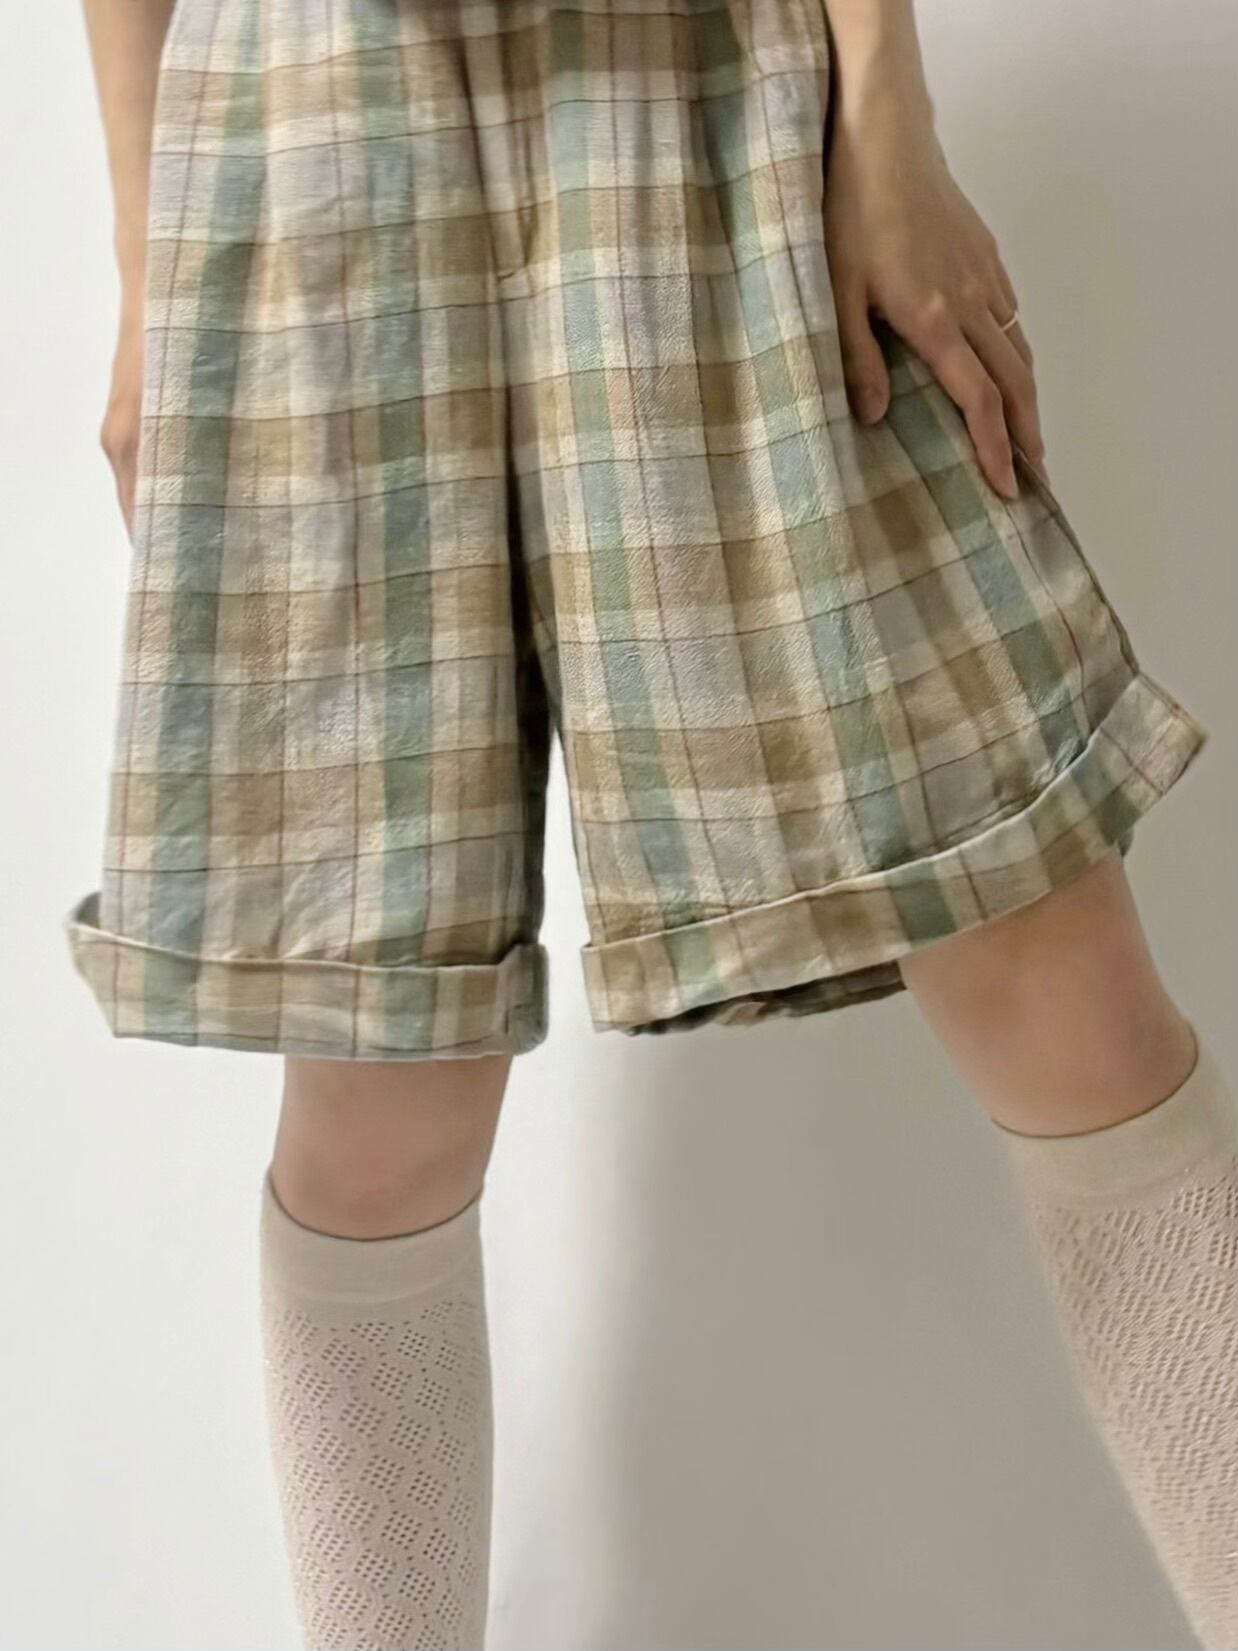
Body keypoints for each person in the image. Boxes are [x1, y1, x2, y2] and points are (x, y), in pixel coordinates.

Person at [67, 1, 1233, 1646]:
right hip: (304, 116)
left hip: (703, 86)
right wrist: (146, 259)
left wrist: (884, 122)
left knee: (1043, 959)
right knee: (377, 1060)